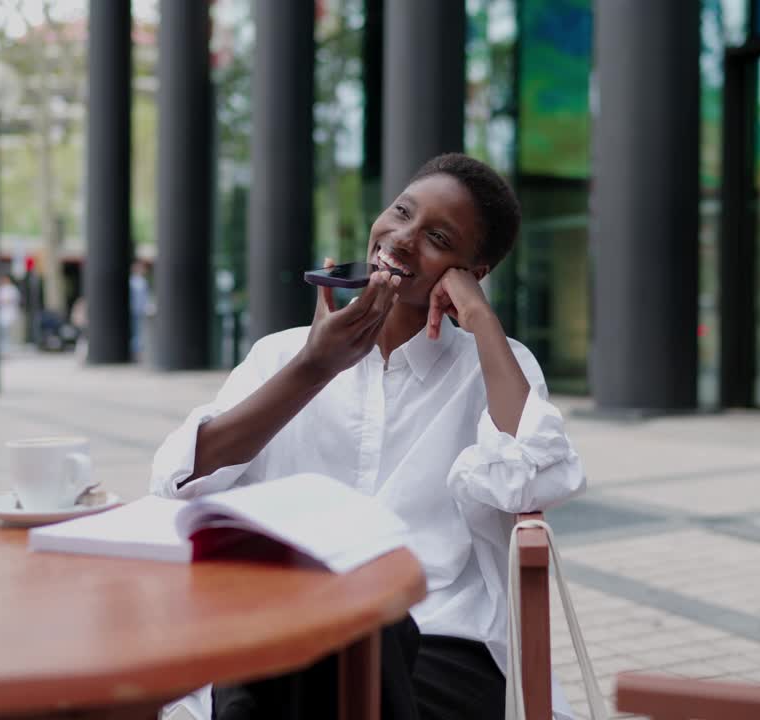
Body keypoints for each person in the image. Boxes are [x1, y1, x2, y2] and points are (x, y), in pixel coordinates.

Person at [151, 154, 584, 720]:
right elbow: (179, 479)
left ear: (470, 272)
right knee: (278, 669)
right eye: (402, 212)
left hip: (439, 640)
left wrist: (481, 321)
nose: (402, 239)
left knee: (350, 651)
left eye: (437, 237)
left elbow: (534, 476)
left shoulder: (495, 366)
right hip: (286, 628)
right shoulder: (283, 355)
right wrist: (314, 368)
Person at [0, 275, 20, 354]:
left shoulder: (12, 289)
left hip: (9, 313)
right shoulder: (1, 289)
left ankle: (6, 349)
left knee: (7, 333)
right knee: (2, 333)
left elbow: (13, 299)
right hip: (2, 314)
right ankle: (2, 349)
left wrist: (6, 301)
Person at [129, 260, 150, 359]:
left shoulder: (140, 281)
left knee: (138, 332)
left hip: (139, 310)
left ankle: (137, 352)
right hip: (136, 310)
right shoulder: (135, 282)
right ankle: (136, 352)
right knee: (137, 332)